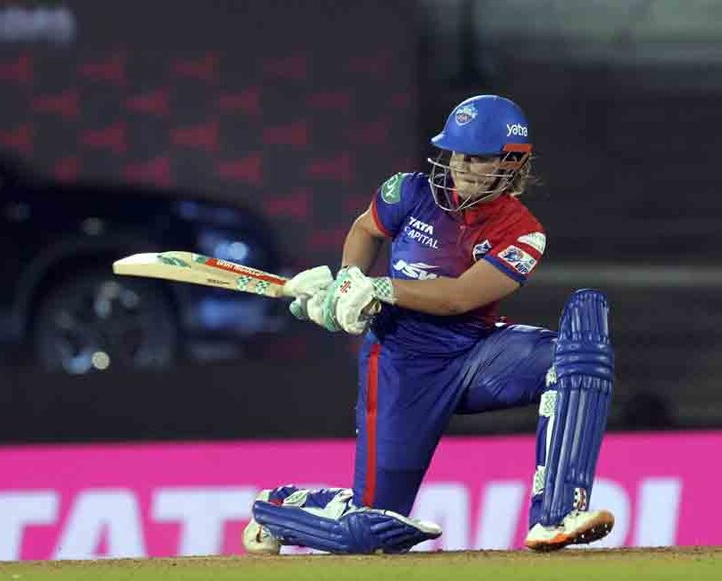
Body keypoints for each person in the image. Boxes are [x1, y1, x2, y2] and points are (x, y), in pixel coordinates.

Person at [242, 95, 615, 555]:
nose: (461, 166)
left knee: (579, 356)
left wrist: (380, 290)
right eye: (457, 154)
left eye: (477, 158)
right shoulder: (408, 192)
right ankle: (279, 506)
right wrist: (344, 286)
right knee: (369, 532)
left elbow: (459, 298)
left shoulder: (522, 231)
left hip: (475, 355)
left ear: (511, 165)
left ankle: (556, 516)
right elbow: (364, 231)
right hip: (400, 364)